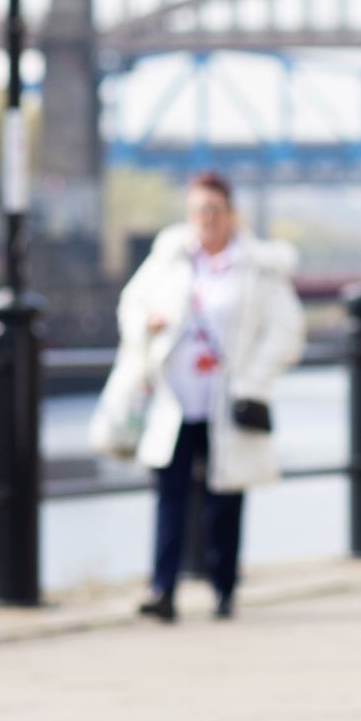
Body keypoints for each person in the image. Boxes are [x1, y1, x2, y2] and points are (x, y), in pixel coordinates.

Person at [98, 172, 306, 623]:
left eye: (214, 211)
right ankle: (162, 589)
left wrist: (252, 378)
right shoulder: (170, 259)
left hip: (227, 401)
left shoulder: (258, 266)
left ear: (231, 215)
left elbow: (286, 331)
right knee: (168, 495)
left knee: (223, 496)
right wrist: (146, 324)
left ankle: (223, 587)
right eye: (198, 212)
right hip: (175, 399)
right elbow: (131, 303)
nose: (206, 220)